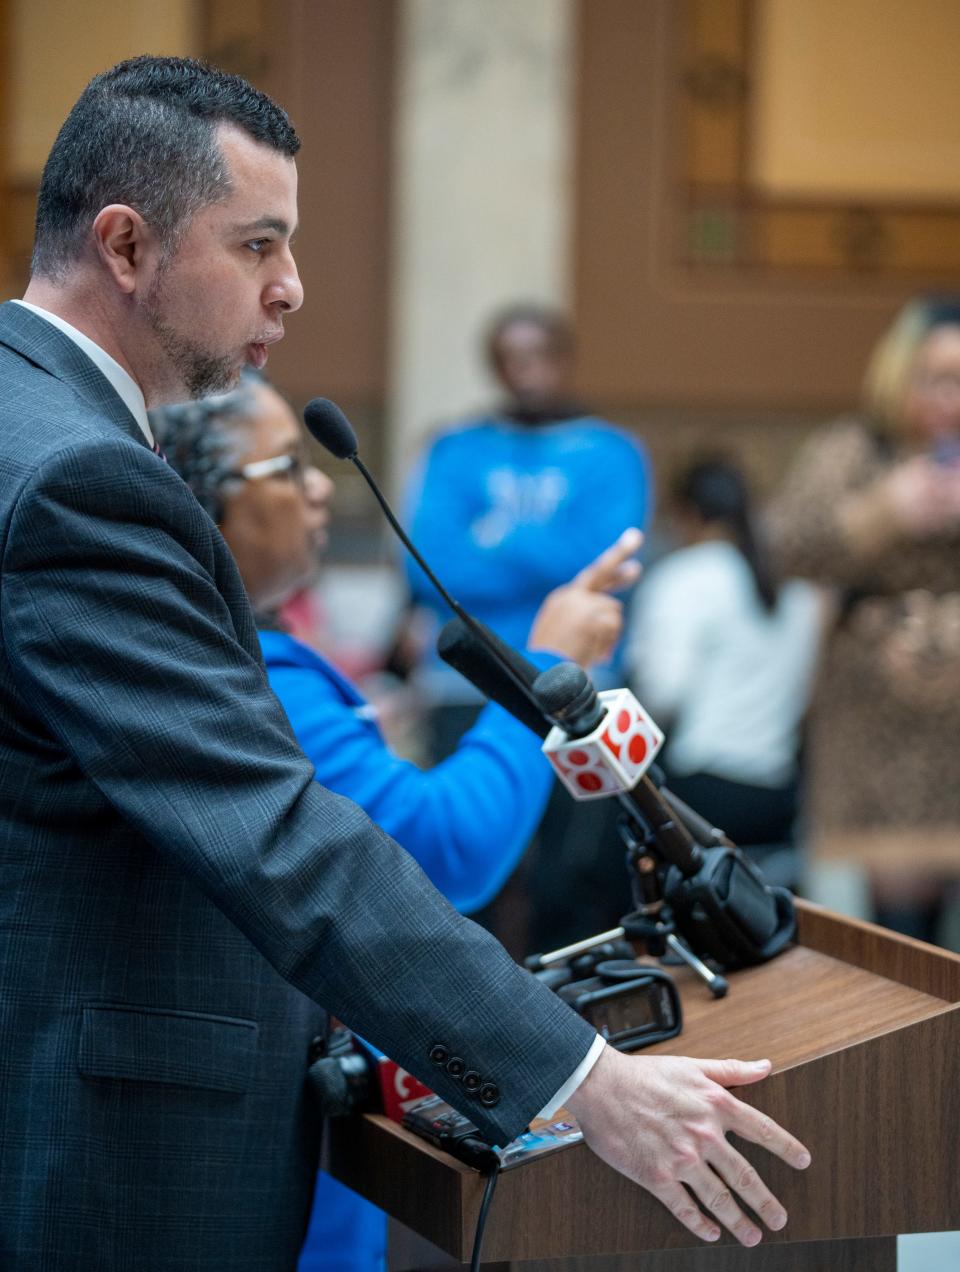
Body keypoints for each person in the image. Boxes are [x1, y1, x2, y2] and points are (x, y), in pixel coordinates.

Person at [0, 55, 809, 1270]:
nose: (292, 288)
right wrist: (582, 1080)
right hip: (110, 1143)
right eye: (259, 245)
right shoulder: (82, 477)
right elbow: (271, 832)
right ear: (125, 246)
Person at [153, 373, 641, 1271]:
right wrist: (545, 667)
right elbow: (445, 848)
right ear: (198, 502)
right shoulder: (249, 672)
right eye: (285, 467)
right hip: (267, 1132)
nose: (320, 488)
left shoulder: (243, 649)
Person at [769, 297, 960, 941]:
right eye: (938, 378)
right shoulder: (853, 449)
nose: (951, 398)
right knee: (896, 937)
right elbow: (787, 547)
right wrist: (885, 509)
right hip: (873, 716)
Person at [629, 458, 825, 887]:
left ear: (687, 514)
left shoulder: (684, 578)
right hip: (779, 793)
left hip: (702, 793)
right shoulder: (796, 587)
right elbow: (807, 693)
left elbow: (664, 692)